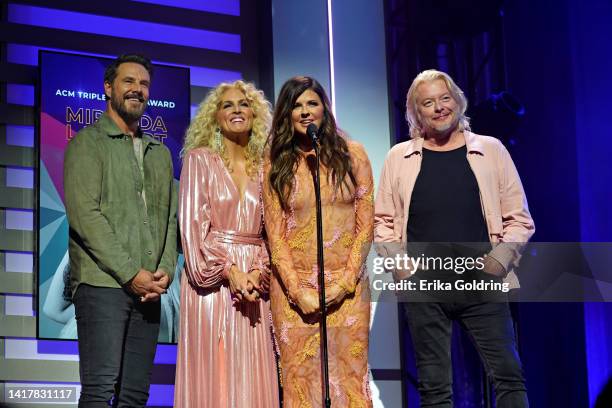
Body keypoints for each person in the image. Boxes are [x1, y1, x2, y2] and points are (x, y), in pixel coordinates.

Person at [374, 69, 535, 407]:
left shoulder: (491, 150)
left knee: (508, 375)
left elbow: (519, 219)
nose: (439, 108)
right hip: (425, 287)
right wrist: (402, 268)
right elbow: (383, 222)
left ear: (458, 101)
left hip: (482, 282)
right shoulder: (398, 157)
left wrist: (500, 260)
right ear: (416, 113)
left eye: (444, 98)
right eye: (428, 103)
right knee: (434, 387)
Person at [64, 54, 177, 407]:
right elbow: (85, 217)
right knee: (99, 390)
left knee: (134, 395)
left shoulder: (161, 154)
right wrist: (131, 274)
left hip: (149, 293)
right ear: (109, 88)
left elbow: (170, 219)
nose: (137, 90)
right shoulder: (87, 143)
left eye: (144, 84)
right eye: (129, 82)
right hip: (102, 286)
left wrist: (166, 272)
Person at [263, 76, 374, 407]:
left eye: (312, 103)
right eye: (297, 105)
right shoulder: (276, 162)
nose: (305, 112)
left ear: (325, 107)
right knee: (300, 381)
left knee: (350, 377)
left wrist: (344, 282)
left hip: (348, 288)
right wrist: (298, 292)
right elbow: (275, 235)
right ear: (286, 114)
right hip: (295, 293)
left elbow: (365, 224)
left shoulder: (352, 154)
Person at [174, 80, 279, 407]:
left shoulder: (266, 165)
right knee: (215, 373)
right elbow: (192, 231)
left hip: (254, 286)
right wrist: (229, 270)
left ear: (255, 114)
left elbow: (272, 231)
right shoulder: (199, 160)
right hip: (210, 286)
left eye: (244, 104)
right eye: (227, 105)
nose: (237, 110)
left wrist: (257, 273)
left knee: (251, 378)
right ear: (214, 117)